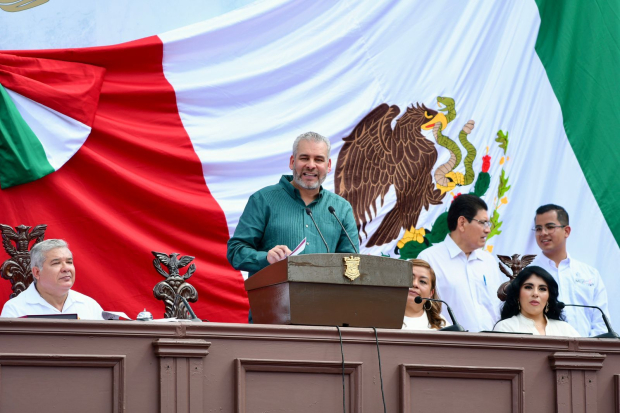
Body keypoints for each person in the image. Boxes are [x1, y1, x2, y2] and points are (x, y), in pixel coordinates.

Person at [227, 131, 359, 279]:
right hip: (274, 299)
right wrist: (266, 258)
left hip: (327, 300)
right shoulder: (262, 200)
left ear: (328, 165)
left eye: (318, 159)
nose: (311, 165)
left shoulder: (341, 208)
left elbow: (352, 262)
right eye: (304, 158)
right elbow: (235, 252)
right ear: (292, 162)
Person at [418, 194, 503, 332]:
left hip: (492, 347)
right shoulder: (429, 259)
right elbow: (422, 308)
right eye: (482, 223)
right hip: (450, 346)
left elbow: (498, 308)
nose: (487, 230)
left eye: (488, 223)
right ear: (462, 223)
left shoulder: (489, 261)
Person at [530, 204, 609, 337]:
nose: (543, 233)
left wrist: (588, 349)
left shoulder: (589, 274)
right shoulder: (528, 274)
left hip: (587, 352)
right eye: (538, 228)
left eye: (550, 227)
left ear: (566, 231)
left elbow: (601, 321)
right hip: (543, 349)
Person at [1, 239, 104, 320]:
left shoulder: (89, 305)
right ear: (37, 272)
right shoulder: (15, 309)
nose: (66, 268)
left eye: (69, 262)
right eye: (56, 263)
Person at [494, 266, 580, 337]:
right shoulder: (505, 327)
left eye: (542, 289)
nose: (535, 294)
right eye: (528, 287)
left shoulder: (565, 329)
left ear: (549, 297)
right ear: (517, 294)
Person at [402, 259, 447, 330]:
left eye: (422, 281)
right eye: (410, 278)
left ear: (431, 293)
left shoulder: (441, 325)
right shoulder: (379, 317)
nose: (415, 284)